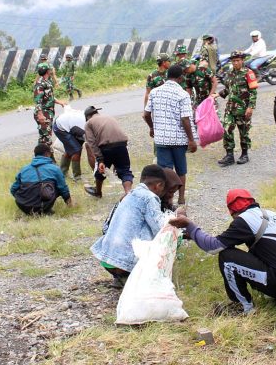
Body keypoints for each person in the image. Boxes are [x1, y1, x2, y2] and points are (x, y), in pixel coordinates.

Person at [169, 188, 276, 315]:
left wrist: (190, 225)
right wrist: (194, 235)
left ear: (232, 211)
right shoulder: (272, 215)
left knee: (227, 257)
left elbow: (213, 247)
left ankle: (243, 307)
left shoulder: (244, 220)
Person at [91, 165, 181, 286]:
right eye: (169, 191)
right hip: (125, 263)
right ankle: (135, 278)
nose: (171, 196)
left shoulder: (130, 194)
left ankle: (122, 278)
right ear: (160, 185)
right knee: (168, 235)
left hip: (106, 258)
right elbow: (161, 229)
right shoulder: (150, 198)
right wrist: (177, 221)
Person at [144, 64, 198, 205]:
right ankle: (181, 198)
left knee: (165, 171)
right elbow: (185, 118)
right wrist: (191, 140)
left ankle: (167, 200)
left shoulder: (155, 92)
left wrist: (152, 128)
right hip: (178, 139)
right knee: (181, 170)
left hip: (161, 138)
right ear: (180, 78)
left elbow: (146, 114)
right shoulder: (183, 94)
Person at [215, 50, 258, 167]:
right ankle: (229, 155)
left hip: (243, 109)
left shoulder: (248, 73)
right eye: (233, 61)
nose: (235, 63)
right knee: (226, 129)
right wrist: (218, 94)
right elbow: (228, 89)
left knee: (243, 131)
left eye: (238, 60)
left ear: (242, 60)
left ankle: (244, 154)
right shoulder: (230, 73)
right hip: (230, 108)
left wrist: (251, 107)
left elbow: (253, 92)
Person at [83, 106, 134, 198]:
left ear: (87, 116)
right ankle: (128, 192)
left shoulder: (89, 123)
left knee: (100, 171)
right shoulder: (109, 117)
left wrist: (100, 159)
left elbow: (92, 143)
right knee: (125, 170)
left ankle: (98, 192)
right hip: (122, 145)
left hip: (106, 146)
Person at [10, 144, 72, 215]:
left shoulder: (24, 169)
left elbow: (13, 189)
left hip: (24, 207)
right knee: (57, 185)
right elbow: (63, 189)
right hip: (44, 206)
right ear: (47, 154)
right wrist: (70, 204)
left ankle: (31, 209)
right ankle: (44, 209)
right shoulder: (55, 169)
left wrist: (23, 199)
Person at [52, 105, 90, 182]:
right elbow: (90, 145)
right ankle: (77, 177)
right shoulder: (83, 126)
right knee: (76, 150)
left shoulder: (89, 120)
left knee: (71, 148)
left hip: (68, 123)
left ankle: (62, 173)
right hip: (60, 127)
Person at [34, 62, 64, 150]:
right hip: (43, 113)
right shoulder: (40, 84)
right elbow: (38, 100)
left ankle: (43, 157)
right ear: (47, 71)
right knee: (45, 138)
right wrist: (40, 114)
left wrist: (60, 102)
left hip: (48, 112)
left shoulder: (46, 82)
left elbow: (49, 97)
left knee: (45, 136)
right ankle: (46, 157)